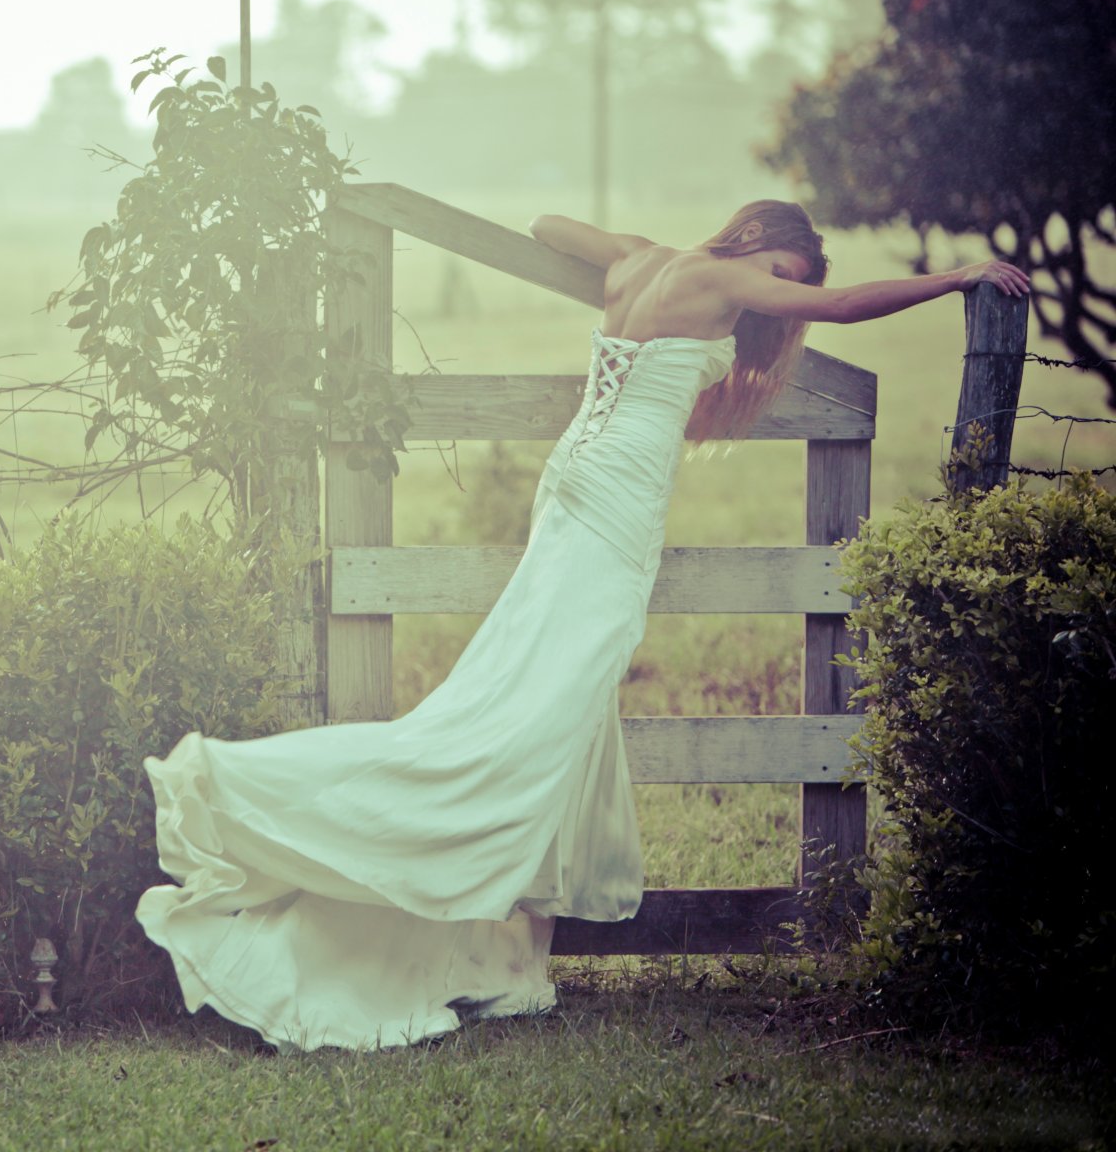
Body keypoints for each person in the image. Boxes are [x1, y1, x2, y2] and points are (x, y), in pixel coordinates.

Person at [133, 199, 1031, 1053]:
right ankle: (243, 786)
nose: (778, 291)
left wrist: (618, 247)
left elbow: (543, 224)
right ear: (755, 234)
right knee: (521, 716)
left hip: (573, 476)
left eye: (786, 280)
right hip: (617, 496)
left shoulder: (641, 258)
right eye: (781, 270)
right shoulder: (721, 281)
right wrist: (957, 277)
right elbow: (841, 305)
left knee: (558, 704)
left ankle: (505, 958)